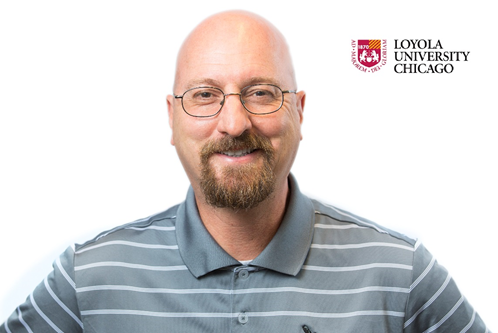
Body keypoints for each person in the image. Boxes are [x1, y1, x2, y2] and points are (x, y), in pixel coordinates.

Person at [0, 10, 489, 333]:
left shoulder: (400, 276)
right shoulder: (90, 280)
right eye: (204, 96)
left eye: (260, 92)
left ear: (299, 112)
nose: (233, 123)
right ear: (171, 120)